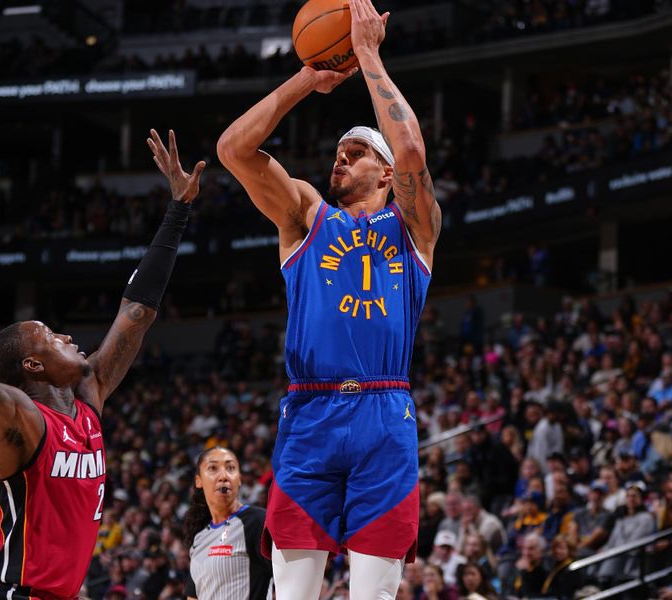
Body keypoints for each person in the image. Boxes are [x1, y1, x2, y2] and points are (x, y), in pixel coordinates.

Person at [0, 129, 204, 599]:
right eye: (51, 336)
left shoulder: (88, 400)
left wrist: (178, 210)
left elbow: (137, 315)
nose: (68, 337)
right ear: (32, 365)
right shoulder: (19, 418)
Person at [215, 0, 440, 596]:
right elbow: (233, 150)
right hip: (310, 414)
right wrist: (305, 80)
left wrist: (367, 55)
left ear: (386, 174)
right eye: (338, 152)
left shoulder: (415, 226)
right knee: (290, 592)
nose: (341, 157)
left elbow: (413, 151)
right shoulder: (306, 216)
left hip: (384, 416)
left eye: (357, 152)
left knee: (373, 592)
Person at [182, 447, 272, 600]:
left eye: (231, 468)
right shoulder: (200, 537)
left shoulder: (257, 521)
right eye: (213, 468)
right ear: (199, 481)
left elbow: (291, 577)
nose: (223, 476)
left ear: (239, 480)